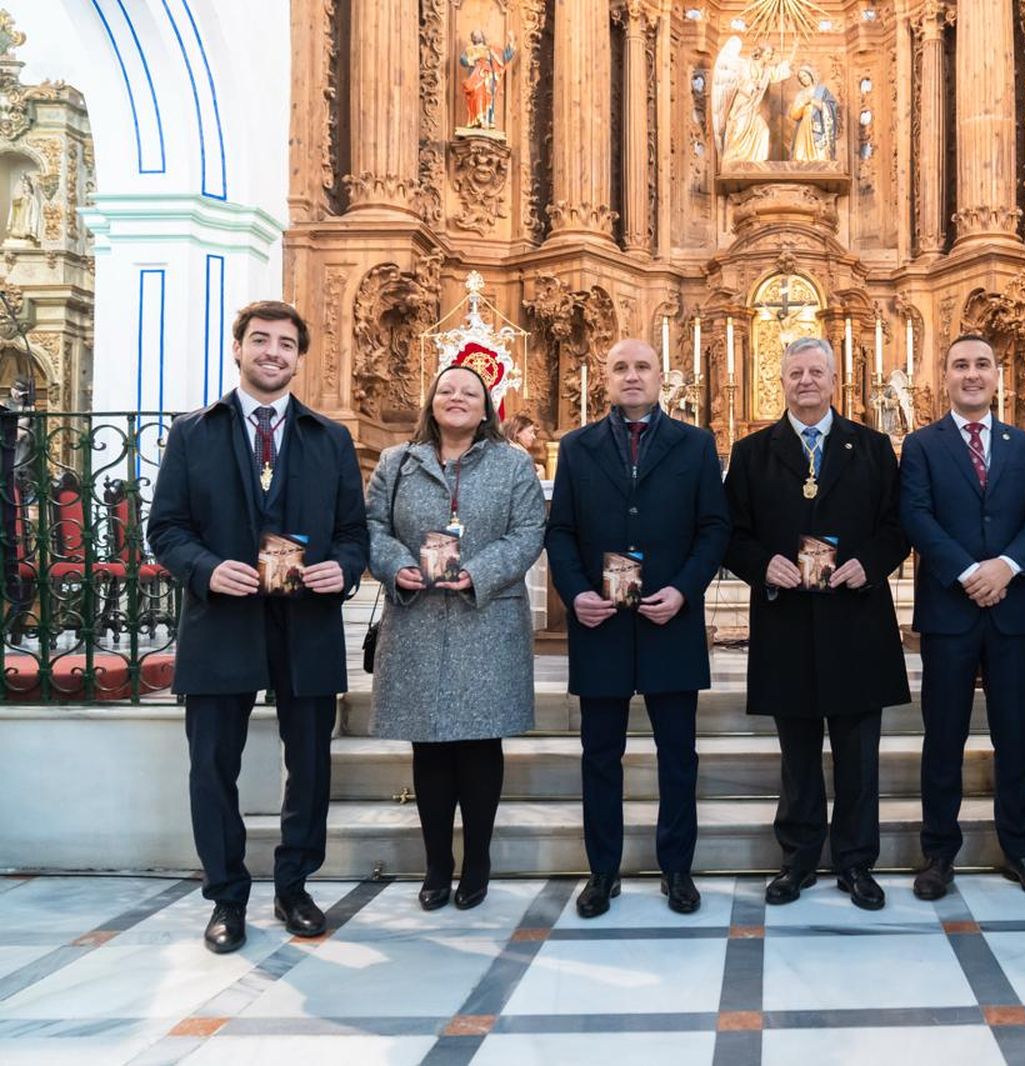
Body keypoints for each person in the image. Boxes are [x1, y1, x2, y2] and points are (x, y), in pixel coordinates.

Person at [148, 300, 369, 954]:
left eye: (285, 344)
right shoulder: (195, 433)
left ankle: (295, 884)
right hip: (222, 622)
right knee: (213, 766)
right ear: (239, 349)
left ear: (300, 358)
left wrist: (343, 569)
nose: (273, 353)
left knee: (309, 763)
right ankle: (226, 897)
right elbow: (166, 529)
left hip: (307, 626)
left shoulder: (329, 439)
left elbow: (354, 534)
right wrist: (208, 569)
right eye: (261, 341)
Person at [545, 338, 730, 918]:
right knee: (600, 753)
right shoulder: (576, 448)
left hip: (668, 620)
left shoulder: (695, 445)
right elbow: (561, 533)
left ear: (660, 377)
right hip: (600, 626)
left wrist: (683, 590)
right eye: (621, 367)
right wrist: (576, 594)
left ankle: (677, 868)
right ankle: (603, 870)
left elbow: (714, 528)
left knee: (678, 753)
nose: (631, 376)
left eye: (642, 367)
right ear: (606, 378)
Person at [723, 337, 909, 909]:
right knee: (797, 755)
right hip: (788, 624)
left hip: (856, 621)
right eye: (796, 372)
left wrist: (868, 563)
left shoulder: (873, 447)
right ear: (782, 381)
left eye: (816, 372)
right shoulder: (753, 451)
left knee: (859, 755)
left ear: (835, 380)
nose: (806, 381)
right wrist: (762, 565)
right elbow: (728, 532)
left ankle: (856, 862)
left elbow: (900, 525)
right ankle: (799, 859)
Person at [365, 365, 545, 911]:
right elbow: (372, 528)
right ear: (432, 400)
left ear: (487, 405)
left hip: (485, 619)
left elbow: (529, 530)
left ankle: (478, 862)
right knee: (429, 747)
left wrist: (482, 572)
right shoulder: (397, 463)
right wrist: (396, 565)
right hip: (418, 616)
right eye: (447, 389)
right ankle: (437, 864)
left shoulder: (513, 463)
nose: (457, 398)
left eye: (469, 391)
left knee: (480, 745)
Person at [899, 334, 1025, 900]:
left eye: (982, 364)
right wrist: (969, 572)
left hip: (1013, 610)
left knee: (1017, 736)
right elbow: (915, 515)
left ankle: (1020, 849)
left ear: (998, 376)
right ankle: (938, 853)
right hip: (950, 610)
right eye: (961, 365)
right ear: (945, 377)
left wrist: (1008, 566)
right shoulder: (921, 445)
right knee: (944, 736)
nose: (972, 374)